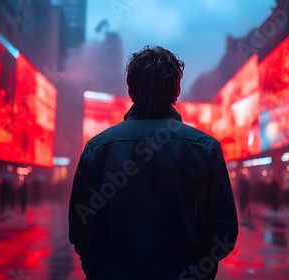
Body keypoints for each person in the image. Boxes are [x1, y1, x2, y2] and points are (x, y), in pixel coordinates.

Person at [68, 46, 239, 280]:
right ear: (175, 90)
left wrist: (101, 266)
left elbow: (78, 230)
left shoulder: (96, 148)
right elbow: (225, 233)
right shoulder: (205, 148)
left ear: (130, 88)